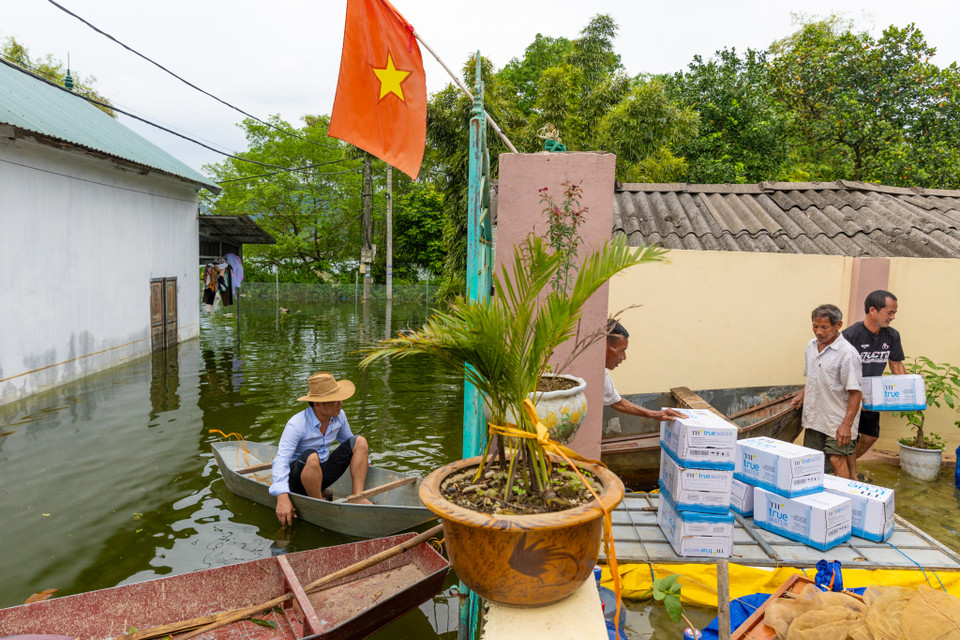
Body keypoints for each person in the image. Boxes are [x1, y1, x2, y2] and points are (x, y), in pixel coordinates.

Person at [270, 371, 372, 526]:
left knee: (360, 441)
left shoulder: (339, 416)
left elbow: (349, 442)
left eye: (339, 399)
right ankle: (318, 503)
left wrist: (365, 461)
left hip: (323, 473)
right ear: (317, 404)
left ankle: (358, 496)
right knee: (312, 456)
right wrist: (282, 496)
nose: (340, 403)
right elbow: (281, 460)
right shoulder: (296, 424)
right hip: (298, 479)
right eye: (333, 400)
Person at [790, 304, 862, 479]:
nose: (819, 332)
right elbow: (813, 377)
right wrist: (802, 394)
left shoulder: (847, 354)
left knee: (837, 461)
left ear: (838, 325)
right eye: (815, 326)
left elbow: (855, 392)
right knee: (813, 462)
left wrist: (847, 425)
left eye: (824, 327)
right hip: (815, 417)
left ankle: (846, 501)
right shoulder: (811, 346)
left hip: (837, 420)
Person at [842, 290, 906, 459]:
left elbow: (897, 365)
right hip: (848, 397)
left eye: (894, 313)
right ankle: (843, 472)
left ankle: (848, 467)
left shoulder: (892, 335)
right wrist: (854, 395)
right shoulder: (850, 335)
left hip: (871, 397)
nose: (892, 317)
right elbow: (839, 370)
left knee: (870, 436)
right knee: (847, 437)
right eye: (890, 312)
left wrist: (908, 393)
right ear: (872, 310)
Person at [605, 320, 687, 422]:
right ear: (605, 346)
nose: (624, 357)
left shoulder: (601, 372)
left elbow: (616, 402)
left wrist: (655, 414)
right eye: (621, 350)